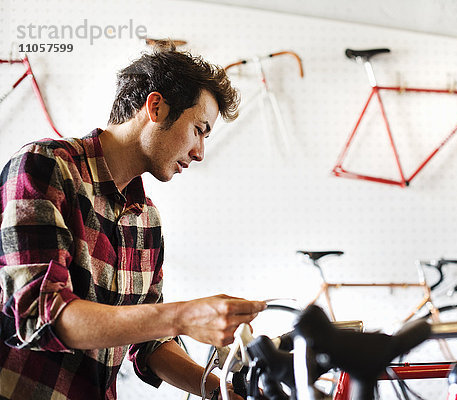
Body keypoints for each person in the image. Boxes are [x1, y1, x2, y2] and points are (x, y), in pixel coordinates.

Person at [0, 47, 266, 399]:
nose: (201, 152)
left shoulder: (148, 221)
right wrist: (183, 315)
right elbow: (40, 315)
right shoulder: (45, 166)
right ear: (155, 107)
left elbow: (151, 343)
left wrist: (224, 392)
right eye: (199, 130)